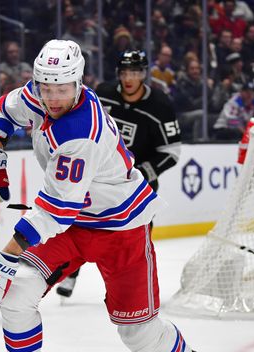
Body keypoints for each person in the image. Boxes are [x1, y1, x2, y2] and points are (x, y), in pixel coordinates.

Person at [0, 39, 221, 352]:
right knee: (18, 289)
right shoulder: (42, 93)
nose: (52, 97)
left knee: (138, 334)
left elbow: (57, 210)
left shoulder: (81, 132)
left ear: (79, 83)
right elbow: (5, 107)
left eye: (61, 89)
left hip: (119, 227)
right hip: (71, 226)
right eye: (45, 87)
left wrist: (4, 254)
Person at [53, 50, 183, 299]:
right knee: (79, 219)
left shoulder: (160, 105)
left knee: (135, 227)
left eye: (134, 72)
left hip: (137, 180)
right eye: (125, 72)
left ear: (143, 74)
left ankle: (133, 282)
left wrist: (145, 170)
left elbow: (172, 151)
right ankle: (70, 275)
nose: (129, 78)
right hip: (98, 172)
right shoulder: (102, 94)